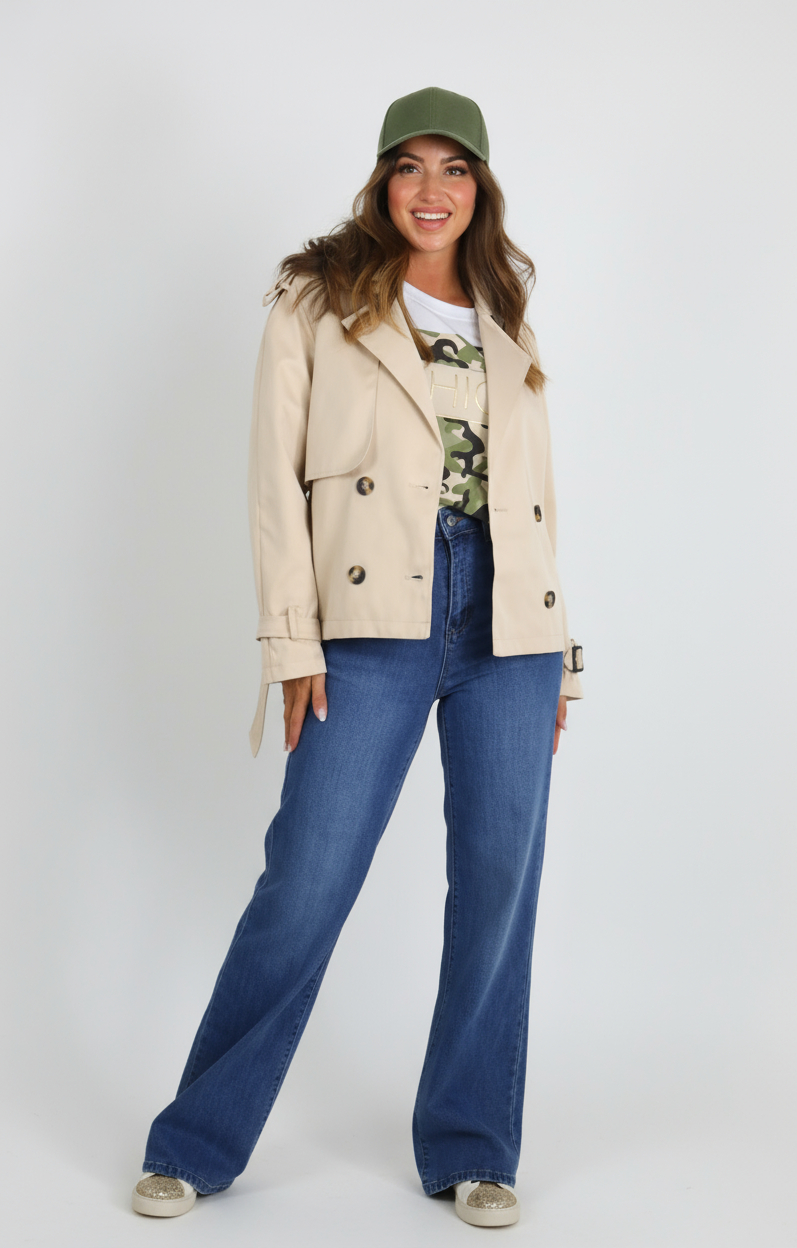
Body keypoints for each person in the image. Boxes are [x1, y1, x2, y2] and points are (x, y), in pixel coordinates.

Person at [131, 86, 584, 1229]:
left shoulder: (505, 310)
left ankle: (473, 1147)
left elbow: (536, 500)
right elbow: (272, 479)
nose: (432, 189)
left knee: (498, 884)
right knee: (307, 878)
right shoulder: (319, 298)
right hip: (370, 620)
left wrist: (559, 658)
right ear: (381, 183)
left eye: (455, 169)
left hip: (508, 629)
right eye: (409, 166)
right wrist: (291, 642)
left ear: (480, 188)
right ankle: (196, 1142)